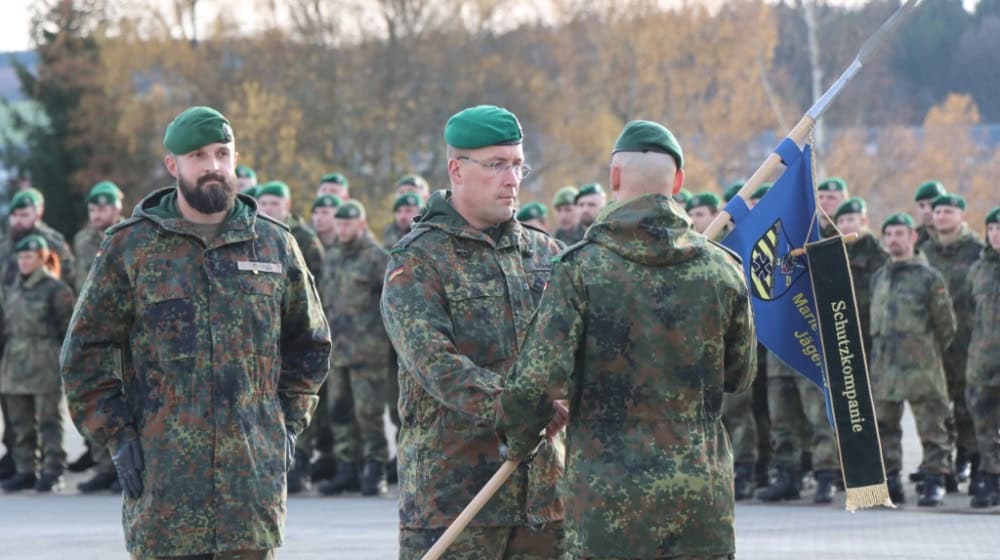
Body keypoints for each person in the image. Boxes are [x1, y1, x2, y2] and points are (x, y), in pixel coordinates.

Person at [60, 106, 331, 558]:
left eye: (222, 153)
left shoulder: (273, 243)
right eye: (198, 156)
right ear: (174, 166)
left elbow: (311, 344)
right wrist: (116, 432)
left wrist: (286, 422)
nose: (213, 167)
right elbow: (84, 351)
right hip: (166, 489)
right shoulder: (132, 247)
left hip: (249, 493)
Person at [497, 119, 755, 559]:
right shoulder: (722, 270)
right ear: (678, 182)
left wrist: (518, 438)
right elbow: (739, 376)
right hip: (699, 498)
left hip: (607, 500)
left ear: (614, 178)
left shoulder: (580, 270)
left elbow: (536, 382)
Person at [381, 105, 565, 559]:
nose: (512, 178)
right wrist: (519, 406)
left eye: (519, 164)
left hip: (546, 499)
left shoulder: (547, 255)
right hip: (457, 501)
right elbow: (435, 365)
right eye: (497, 164)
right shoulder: (419, 261)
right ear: (457, 170)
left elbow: (580, 352)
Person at [870, 212, 956, 506]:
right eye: (889, 234)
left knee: (933, 426)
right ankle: (890, 480)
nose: (893, 239)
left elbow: (946, 326)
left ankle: (934, 479)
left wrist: (924, 350)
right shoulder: (879, 278)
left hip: (922, 366)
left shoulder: (929, 278)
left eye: (899, 233)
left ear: (912, 237)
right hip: (885, 368)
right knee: (884, 427)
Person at [316, 201, 391, 497]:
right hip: (337, 350)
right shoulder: (332, 257)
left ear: (361, 224)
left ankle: (376, 468)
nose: (344, 229)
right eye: (340, 224)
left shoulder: (376, 258)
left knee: (368, 413)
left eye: (350, 224)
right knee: (339, 411)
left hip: (368, 351)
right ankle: (347, 467)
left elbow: (391, 301)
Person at [0, 235, 75, 492]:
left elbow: (70, 330)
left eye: (28, 257)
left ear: (42, 258)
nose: (23, 262)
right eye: (20, 257)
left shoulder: (56, 290)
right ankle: (25, 470)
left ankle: (53, 469)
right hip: (14, 363)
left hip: (44, 361)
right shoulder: (12, 287)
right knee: (19, 423)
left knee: (48, 421)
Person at [921, 193, 984, 486]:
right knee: (937, 407)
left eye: (948, 211)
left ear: (961, 215)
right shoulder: (924, 252)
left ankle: (970, 458)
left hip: (969, 341)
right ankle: (940, 464)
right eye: (938, 212)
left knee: (968, 405)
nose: (941, 216)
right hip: (934, 344)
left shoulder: (977, 252)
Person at [71, 180, 126, 493]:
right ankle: (102, 465)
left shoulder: (128, 235)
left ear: (117, 207)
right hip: (88, 327)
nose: (98, 213)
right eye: (93, 208)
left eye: (104, 207)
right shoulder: (81, 240)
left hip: (117, 327)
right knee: (92, 396)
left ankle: (122, 466)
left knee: (121, 397)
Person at [966, 206, 1000, 508]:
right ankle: (991, 476)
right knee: (986, 424)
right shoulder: (978, 270)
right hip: (984, 361)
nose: (997, 234)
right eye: (993, 229)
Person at [833, 197, 889, 360]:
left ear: (864, 221)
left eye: (851, 219)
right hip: (843, 337)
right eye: (841, 221)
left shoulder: (880, 257)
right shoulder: (834, 256)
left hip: (873, 335)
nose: (845, 225)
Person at [913, 180, 946, 248]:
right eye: (921, 206)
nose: (926, 211)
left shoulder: (961, 237)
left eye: (931, 204)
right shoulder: (913, 239)